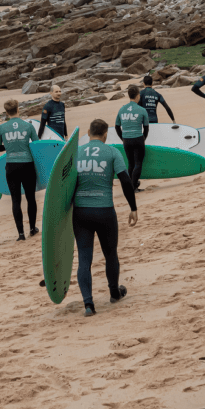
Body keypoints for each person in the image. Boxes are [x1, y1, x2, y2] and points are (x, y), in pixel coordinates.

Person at [73, 118, 138, 317]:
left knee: (84, 258)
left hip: (81, 212)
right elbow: (126, 181)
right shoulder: (112, 152)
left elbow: (63, 185)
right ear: (105, 134)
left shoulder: (76, 153)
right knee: (110, 254)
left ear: (88, 132)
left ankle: (88, 304)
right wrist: (133, 207)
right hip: (104, 211)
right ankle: (113, 293)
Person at [0, 99, 39, 241]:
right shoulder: (28, 125)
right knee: (31, 198)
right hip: (27, 165)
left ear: (6, 112)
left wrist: (9, 146)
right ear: (18, 109)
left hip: (11, 166)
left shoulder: (2, 128)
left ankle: (20, 234)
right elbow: (37, 146)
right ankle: (32, 229)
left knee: (15, 200)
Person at [115, 85, 149, 192]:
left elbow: (116, 126)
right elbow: (146, 128)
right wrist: (143, 138)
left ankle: (132, 186)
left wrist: (123, 138)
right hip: (138, 138)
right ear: (138, 95)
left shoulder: (122, 109)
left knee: (130, 163)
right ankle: (133, 187)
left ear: (129, 96)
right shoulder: (142, 110)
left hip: (126, 140)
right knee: (138, 163)